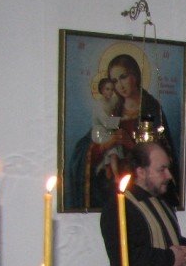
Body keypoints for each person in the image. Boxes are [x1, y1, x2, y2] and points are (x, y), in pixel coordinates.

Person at [74, 53, 179, 211]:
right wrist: (108, 143)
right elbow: (91, 142)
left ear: (135, 76)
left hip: (144, 190)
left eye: (123, 77)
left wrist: (131, 144)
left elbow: (162, 153)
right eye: (114, 81)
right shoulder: (113, 108)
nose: (120, 85)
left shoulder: (150, 108)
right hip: (115, 191)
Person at [91, 77, 123, 179]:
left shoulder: (111, 101)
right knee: (112, 147)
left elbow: (119, 98)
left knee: (117, 146)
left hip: (108, 131)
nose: (110, 92)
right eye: (107, 89)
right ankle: (115, 174)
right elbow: (106, 123)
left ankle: (109, 169)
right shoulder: (99, 105)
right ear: (101, 90)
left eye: (112, 89)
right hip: (99, 132)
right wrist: (120, 120)